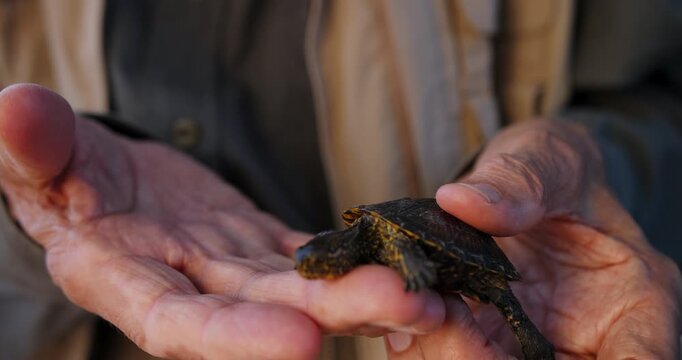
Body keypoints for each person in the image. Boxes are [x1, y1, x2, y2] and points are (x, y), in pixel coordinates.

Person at [0, 1, 681, 359]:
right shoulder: (367, 237)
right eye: (317, 262)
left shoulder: (375, 235)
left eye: (319, 261)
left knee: (508, 302)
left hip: (485, 262)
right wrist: (28, 211)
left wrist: (598, 168)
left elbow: (657, 96)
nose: (317, 265)